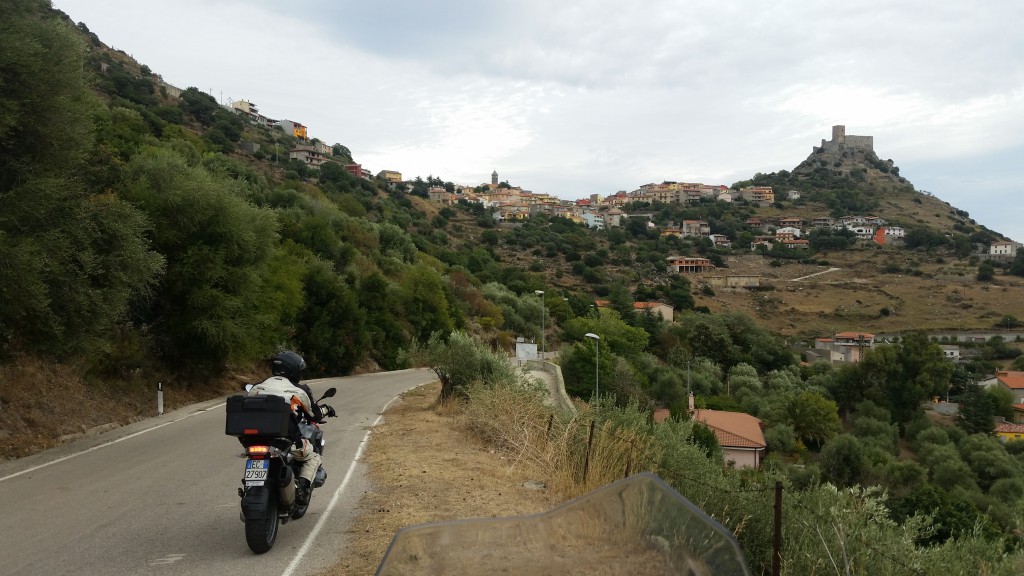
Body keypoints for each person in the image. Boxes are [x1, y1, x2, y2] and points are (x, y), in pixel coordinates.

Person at [252, 351, 335, 505]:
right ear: (292, 370)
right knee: (313, 456)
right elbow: (314, 415)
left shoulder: (257, 387)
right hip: (283, 440)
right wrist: (326, 409)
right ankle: (302, 491)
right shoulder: (299, 390)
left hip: (255, 439)